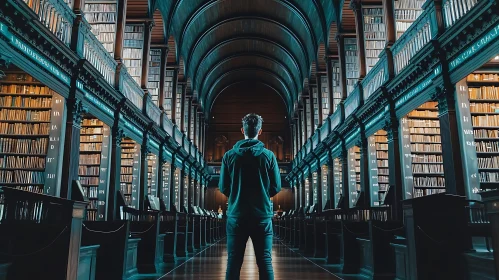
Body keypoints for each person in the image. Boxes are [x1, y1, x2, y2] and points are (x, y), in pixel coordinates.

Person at [219, 113, 281, 280]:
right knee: (265, 261)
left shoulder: (229, 156)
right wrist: (261, 194)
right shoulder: (268, 156)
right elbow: (276, 186)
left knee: (233, 262)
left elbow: (223, 186)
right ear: (260, 131)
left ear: (242, 130)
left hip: (237, 215)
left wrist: (237, 195)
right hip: (261, 216)